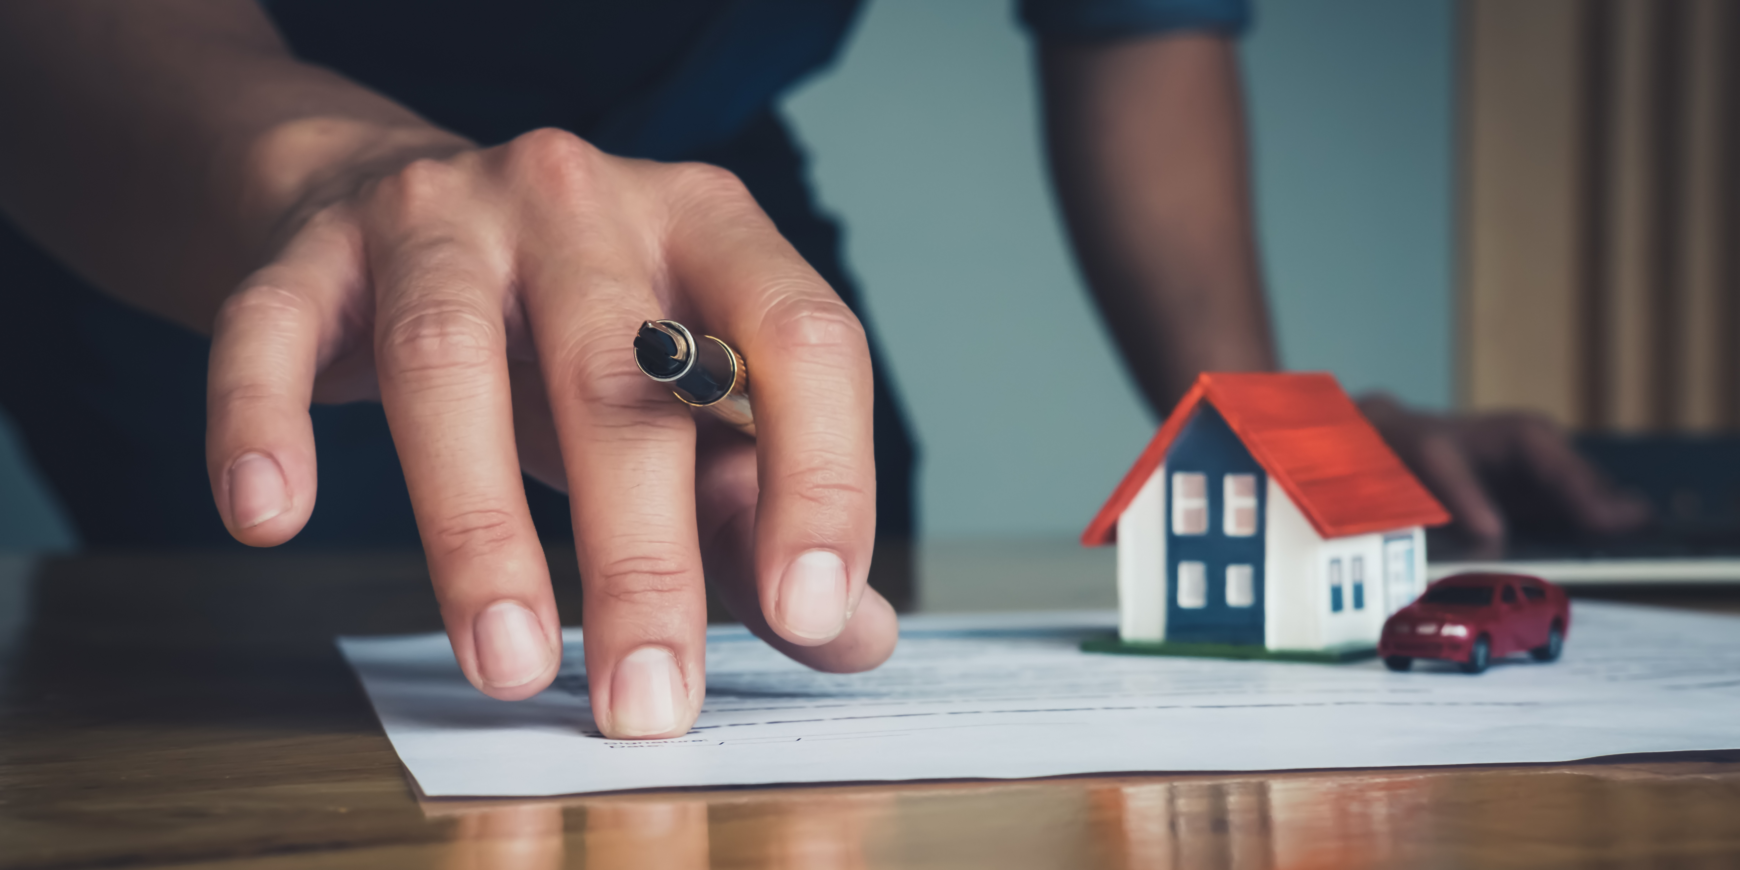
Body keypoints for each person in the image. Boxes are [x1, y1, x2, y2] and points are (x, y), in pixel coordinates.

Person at [0, 0, 1644, 740]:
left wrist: (1261, 418)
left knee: (808, 587)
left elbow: (1139, 25)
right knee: (279, 664)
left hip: (715, 213)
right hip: (228, 196)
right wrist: (321, 178)